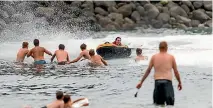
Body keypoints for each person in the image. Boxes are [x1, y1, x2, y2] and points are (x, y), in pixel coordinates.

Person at [136, 41, 182, 106]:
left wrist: (141, 82)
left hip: (158, 83)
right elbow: (176, 72)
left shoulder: (154, 57)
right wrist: (179, 82)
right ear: (166, 48)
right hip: (167, 83)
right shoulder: (171, 57)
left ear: (159, 48)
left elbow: (148, 70)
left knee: (158, 105)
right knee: (170, 105)